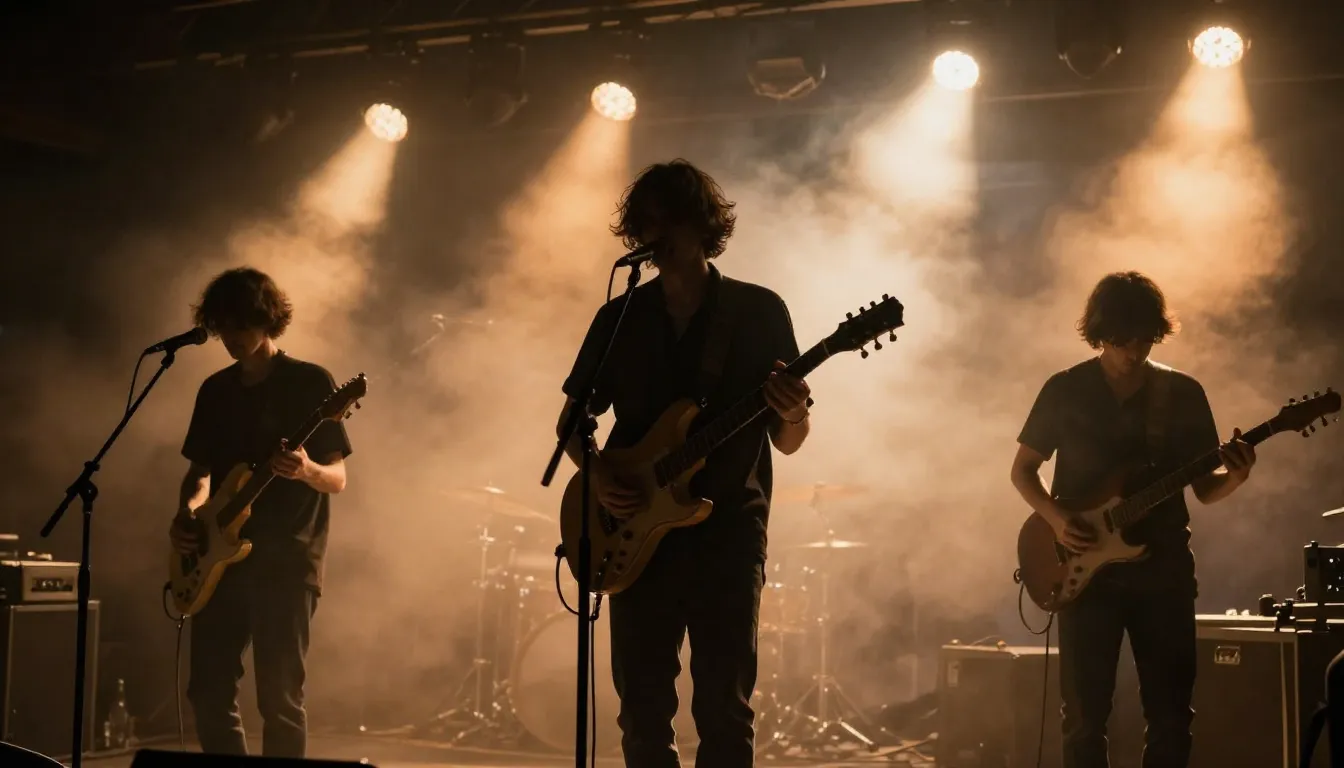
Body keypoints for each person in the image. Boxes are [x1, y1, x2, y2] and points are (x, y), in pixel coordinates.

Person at [557, 159, 813, 767]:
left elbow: (789, 440)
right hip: (633, 532)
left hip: (728, 533)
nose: (655, 235)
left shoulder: (757, 311)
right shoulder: (620, 317)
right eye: (645, 223)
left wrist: (795, 410)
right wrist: (599, 475)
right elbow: (571, 423)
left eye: (666, 220)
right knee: (642, 713)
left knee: (724, 710)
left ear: (701, 225)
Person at [1009, 271, 1257, 768]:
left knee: (1171, 718)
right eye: (1122, 340)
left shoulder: (1182, 393)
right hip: (1084, 575)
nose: (1133, 352)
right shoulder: (1065, 389)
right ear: (1100, 333)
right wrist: (1058, 521)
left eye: (1144, 339)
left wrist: (1236, 476)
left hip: (1163, 572)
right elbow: (1023, 471)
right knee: (1084, 720)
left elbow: (1205, 489)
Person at [170, 267, 352, 758]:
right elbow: (199, 474)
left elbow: (337, 478)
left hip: (287, 562)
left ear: (267, 319)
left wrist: (306, 469)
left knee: (279, 700)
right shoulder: (215, 390)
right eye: (221, 327)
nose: (230, 337)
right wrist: (187, 513)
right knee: (207, 691)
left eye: (241, 325)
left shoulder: (310, 383)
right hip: (219, 561)